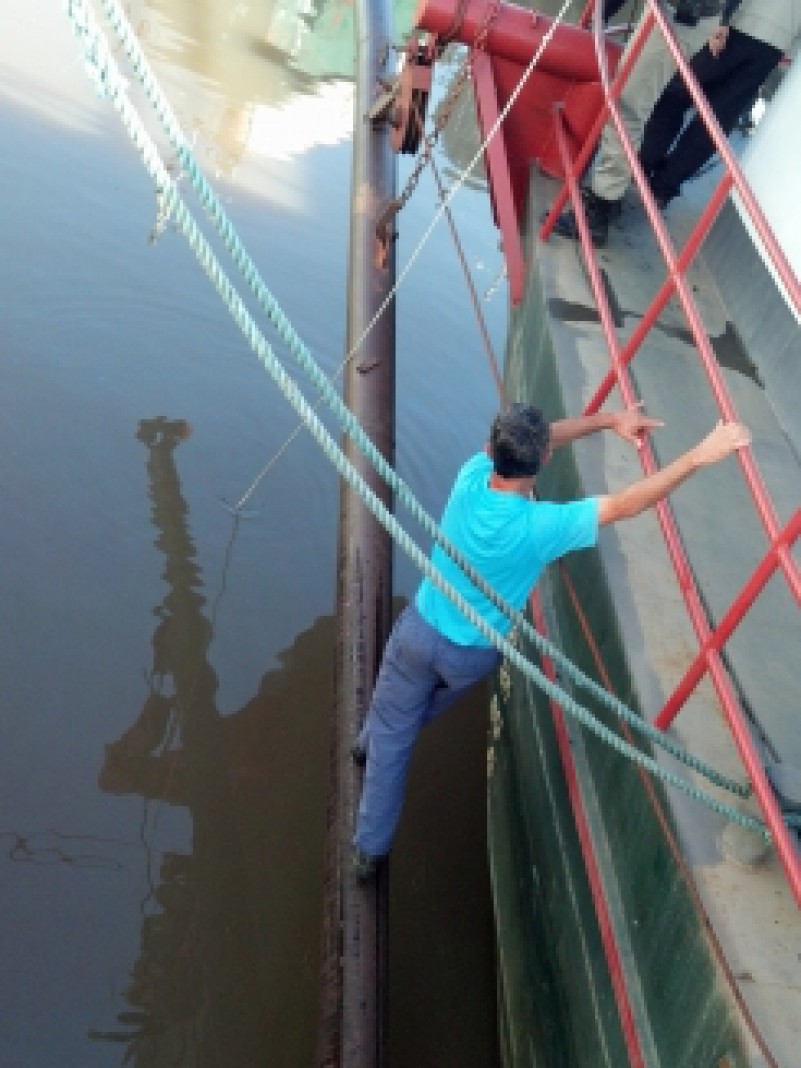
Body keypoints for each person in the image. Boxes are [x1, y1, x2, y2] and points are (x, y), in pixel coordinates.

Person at [351, 404, 751, 880]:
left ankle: (369, 845)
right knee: (409, 717)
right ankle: (378, 742)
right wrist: (698, 456)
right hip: (472, 656)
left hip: (420, 633)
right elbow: (626, 503)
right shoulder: (544, 527)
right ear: (542, 463)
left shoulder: (470, 476)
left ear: (488, 451)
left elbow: (544, 440)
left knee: (393, 723)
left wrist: (606, 419)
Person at [551, 0, 728, 247]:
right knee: (633, 104)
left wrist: (602, 14)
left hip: (678, 17)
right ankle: (608, 196)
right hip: (685, 15)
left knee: (627, 108)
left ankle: (599, 211)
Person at [639, 0, 801, 207]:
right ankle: (663, 187)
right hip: (776, 42)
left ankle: (644, 162)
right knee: (714, 122)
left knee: (677, 94)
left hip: (737, 22)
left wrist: (722, 20)